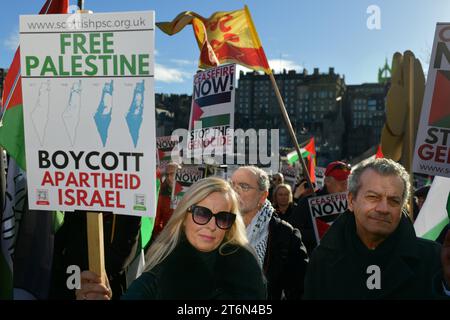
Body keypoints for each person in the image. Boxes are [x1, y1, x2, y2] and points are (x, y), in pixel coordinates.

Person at [76, 177, 266, 300]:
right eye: (201, 213)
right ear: (184, 217)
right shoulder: (162, 269)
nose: (211, 225)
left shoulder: (245, 266)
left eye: (222, 218)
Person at [304, 158, 450, 299]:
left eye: (394, 201)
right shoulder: (323, 258)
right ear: (351, 201)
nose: (383, 208)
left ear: (402, 206)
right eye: (373, 197)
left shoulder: (434, 258)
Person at [230, 166, 309, 300]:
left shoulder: (284, 234)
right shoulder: (216, 223)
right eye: (232, 185)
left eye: (244, 186)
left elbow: (300, 289)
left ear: (262, 196)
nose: (235, 191)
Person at [288, 161, 351, 255]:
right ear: (327, 181)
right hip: (316, 259)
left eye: (346, 180)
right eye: (340, 181)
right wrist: (318, 233)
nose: (345, 185)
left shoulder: (352, 202)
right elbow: (293, 231)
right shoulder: (308, 202)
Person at [150, 162, 181, 243]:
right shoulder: (162, 193)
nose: (170, 177)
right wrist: (158, 236)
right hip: (166, 238)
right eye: (167, 174)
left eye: (173, 173)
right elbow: (157, 220)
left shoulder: (188, 192)